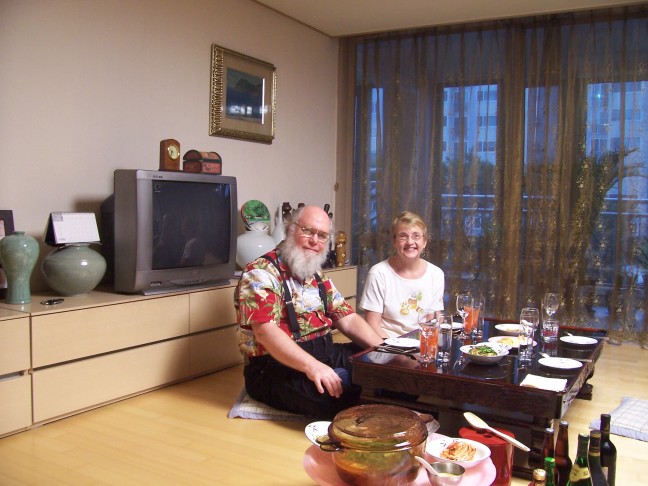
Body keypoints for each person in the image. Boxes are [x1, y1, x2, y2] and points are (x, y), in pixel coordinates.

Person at [235, 205, 385, 419]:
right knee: (337, 399)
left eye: (322, 235)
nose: (315, 240)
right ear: (291, 229)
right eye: (308, 231)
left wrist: (385, 350)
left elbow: (348, 319)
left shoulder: (315, 273)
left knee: (386, 369)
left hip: (326, 352)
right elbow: (265, 332)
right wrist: (314, 367)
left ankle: (346, 379)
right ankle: (343, 383)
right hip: (276, 367)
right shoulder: (260, 273)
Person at [359, 211, 445, 338]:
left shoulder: (436, 274)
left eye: (416, 236)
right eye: (403, 236)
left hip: (422, 345)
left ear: (425, 242)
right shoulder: (378, 273)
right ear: (394, 241)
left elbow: (434, 320)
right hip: (388, 346)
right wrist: (398, 351)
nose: (410, 242)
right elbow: (372, 325)